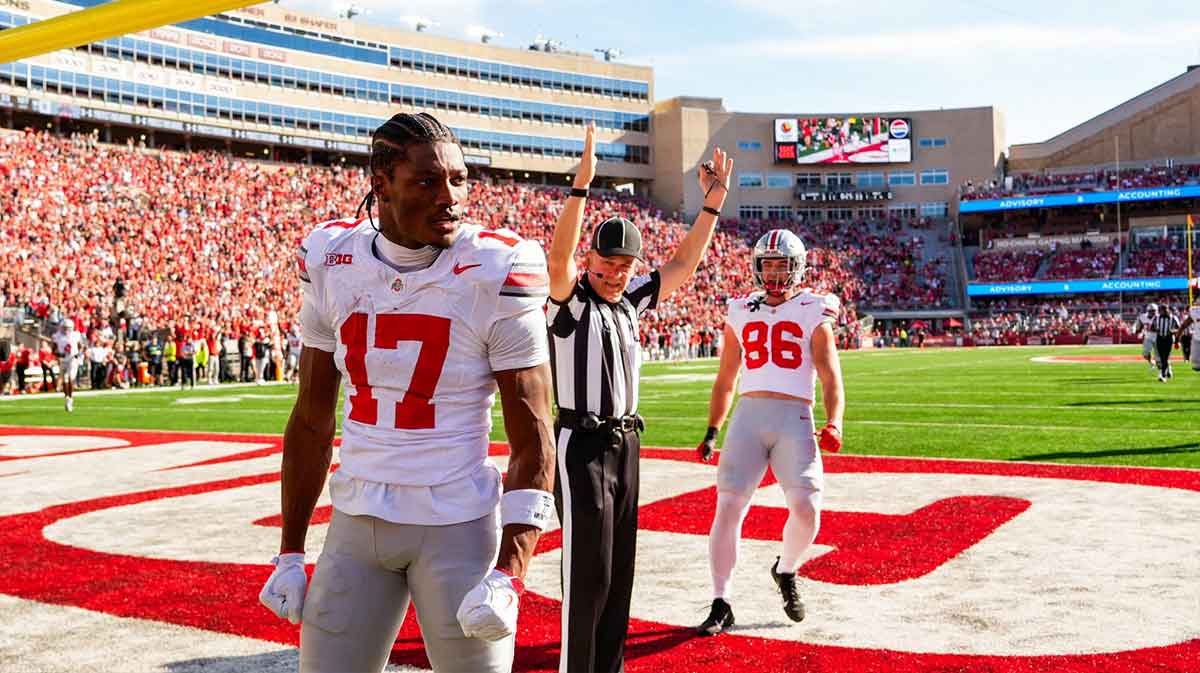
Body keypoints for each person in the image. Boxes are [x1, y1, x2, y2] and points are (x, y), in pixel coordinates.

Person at [258, 112, 557, 673]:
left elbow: (535, 435)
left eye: (460, 180)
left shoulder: (496, 266)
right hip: (356, 519)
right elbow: (311, 421)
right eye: (428, 181)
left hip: (457, 527)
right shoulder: (331, 260)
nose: (451, 198)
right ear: (381, 185)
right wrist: (291, 550)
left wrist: (509, 573)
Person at [545, 122, 732, 673]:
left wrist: (711, 207)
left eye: (623, 268)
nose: (614, 276)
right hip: (580, 442)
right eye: (605, 267)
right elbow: (559, 260)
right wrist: (581, 186)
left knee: (620, 570)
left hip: (626, 443)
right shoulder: (572, 301)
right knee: (588, 574)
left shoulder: (629, 302)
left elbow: (682, 266)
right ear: (591, 263)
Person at [694, 229, 845, 636]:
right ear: (757, 267)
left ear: (798, 267)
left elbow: (831, 375)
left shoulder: (814, 308)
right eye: (768, 264)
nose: (775, 273)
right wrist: (713, 429)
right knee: (728, 507)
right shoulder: (740, 309)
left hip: (796, 416)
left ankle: (786, 569)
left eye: (783, 264)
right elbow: (726, 378)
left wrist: (835, 422)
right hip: (748, 416)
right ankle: (721, 601)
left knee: (808, 510)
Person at [52, 321, 84, 411]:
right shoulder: (57, 336)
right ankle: (67, 398)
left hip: (72, 359)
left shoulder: (76, 335)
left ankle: (70, 397)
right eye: (65, 328)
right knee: (65, 379)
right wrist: (58, 354)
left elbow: (81, 346)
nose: (66, 330)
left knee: (70, 378)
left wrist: (78, 353)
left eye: (68, 328)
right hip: (63, 360)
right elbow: (53, 349)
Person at [1152, 305, 1180, 382]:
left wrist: (1172, 331)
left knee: (1165, 357)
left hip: (1168, 339)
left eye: (1162, 310)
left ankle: (1163, 375)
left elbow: (1179, 328)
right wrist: (1156, 329)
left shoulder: (1173, 318)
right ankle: (1168, 370)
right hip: (1159, 338)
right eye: (1160, 310)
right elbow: (1152, 327)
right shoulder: (1156, 318)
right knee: (1162, 357)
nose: (1160, 312)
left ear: (1166, 310)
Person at [1134, 303, 1159, 371]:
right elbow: (1140, 326)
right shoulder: (1143, 316)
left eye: (1154, 310)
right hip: (1148, 337)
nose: (1153, 312)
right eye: (1151, 310)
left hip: (1158, 338)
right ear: (1148, 311)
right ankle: (1151, 362)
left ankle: (1163, 370)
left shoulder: (1159, 317)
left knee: (1158, 358)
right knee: (1145, 353)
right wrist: (1138, 331)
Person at [1176, 300, 1200, 371]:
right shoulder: (1195, 313)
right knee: (1196, 366)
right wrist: (1177, 339)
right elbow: (1183, 326)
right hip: (1197, 339)